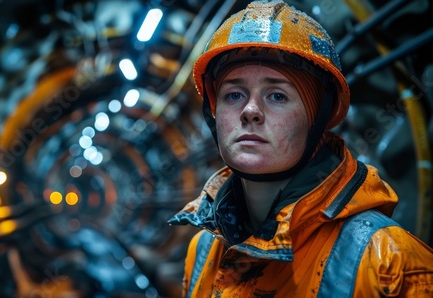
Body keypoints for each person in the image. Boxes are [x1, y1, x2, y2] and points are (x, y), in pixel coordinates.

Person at [168, 0, 433, 297]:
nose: (250, 110)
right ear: (213, 112)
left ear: (318, 118)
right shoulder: (204, 250)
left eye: (277, 96)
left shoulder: (390, 264)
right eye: (234, 94)